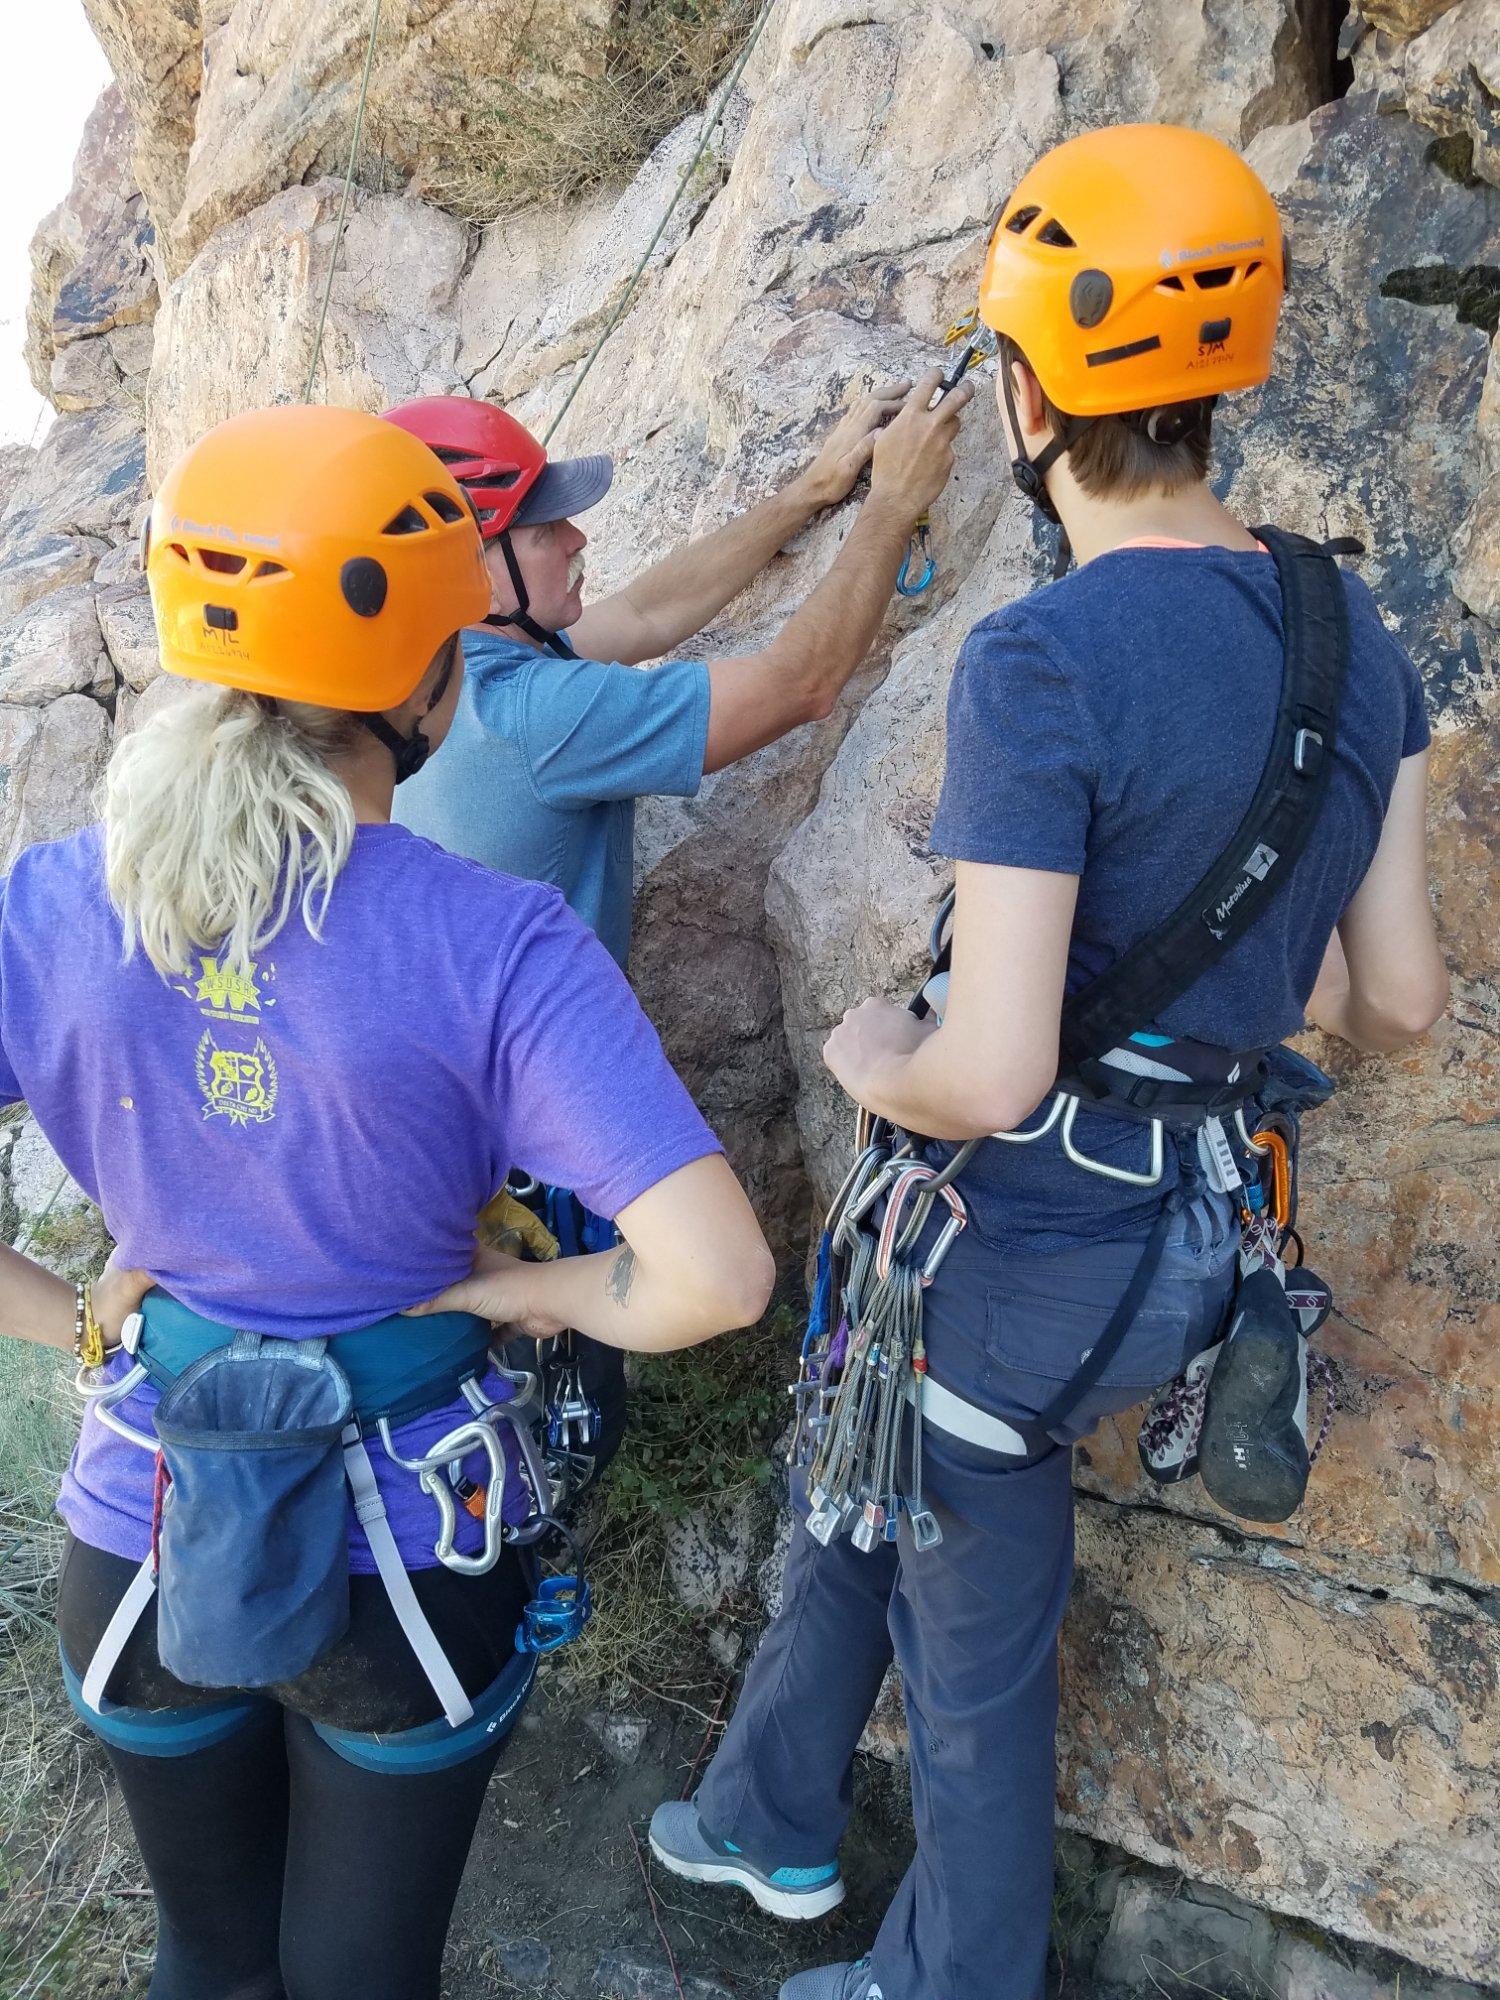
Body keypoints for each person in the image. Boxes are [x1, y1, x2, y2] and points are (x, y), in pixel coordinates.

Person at [644, 123, 1449, 2000]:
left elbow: (989, 1072)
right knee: (869, 1464)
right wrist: (1221, 1012)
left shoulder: (1050, 661)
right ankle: (760, 1810)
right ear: (1224, 375)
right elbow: (1396, 1002)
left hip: (1027, 1251)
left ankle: (954, 1978)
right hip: (1189, 1231)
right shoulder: (1356, 641)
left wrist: (872, 1055)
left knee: (973, 1620)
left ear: (1024, 389)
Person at [0, 403, 774, 2000]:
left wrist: (73, 1312)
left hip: (144, 1512)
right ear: (433, 682)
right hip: (414, 1539)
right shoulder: (494, 943)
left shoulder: (57, 905)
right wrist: (521, 1294)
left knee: (208, 1962)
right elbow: (715, 1277)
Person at [382, 377, 971, 1494]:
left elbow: (648, 613)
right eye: (541, 524)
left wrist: (812, 491)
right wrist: (890, 508)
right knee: (553, 1410)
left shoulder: (441, 681)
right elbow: (800, 685)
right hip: (530, 1143)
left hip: (454, 1116)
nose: (576, 535)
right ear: (474, 570)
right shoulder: (533, 715)